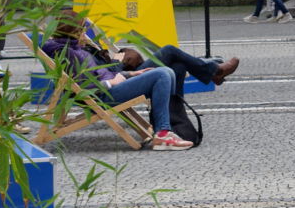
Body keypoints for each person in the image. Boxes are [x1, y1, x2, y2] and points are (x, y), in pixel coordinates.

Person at [41, 16, 193, 151]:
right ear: (76, 31)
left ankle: (163, 130)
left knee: (168, 72)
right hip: (102, 96)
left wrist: (129, 74)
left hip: (109, 88)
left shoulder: (74, 49)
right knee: (162, 74)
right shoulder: (69, 53)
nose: (84, 34)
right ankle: (163, 133)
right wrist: (112, 82)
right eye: (83, 30)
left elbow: (99, 74)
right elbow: (86, 87)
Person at [118, 45, 239, 97]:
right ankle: (215, 72)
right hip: (122, 81)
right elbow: (109, 73)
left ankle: (176, 116)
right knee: (169, 50)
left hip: (124, 75)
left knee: (178, 66)